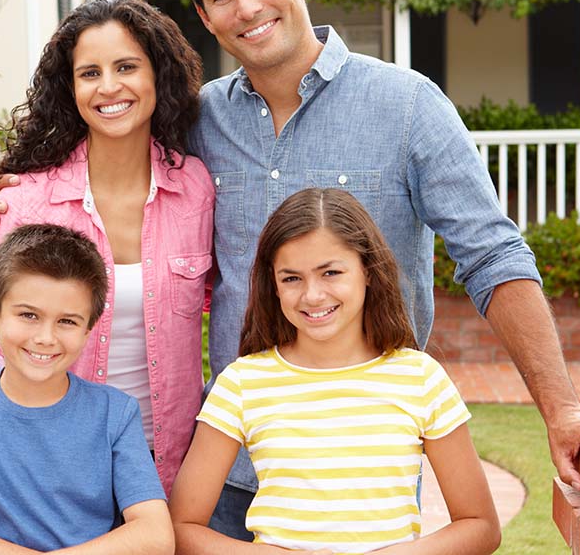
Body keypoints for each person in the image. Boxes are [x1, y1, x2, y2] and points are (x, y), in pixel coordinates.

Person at [0, 0, 580, 538]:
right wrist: (22, 193)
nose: (246, 6)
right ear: (205, 16)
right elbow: (110, 147)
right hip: (225, 467)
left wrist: (562, 409)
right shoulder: (197, 124)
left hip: (360, 469)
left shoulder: (408, 106)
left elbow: (494, 258)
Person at [0, 0, 214, 495]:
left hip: (167, 458)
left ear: (157, 75)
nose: (109, 87)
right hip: (53, 457)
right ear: (70, 86)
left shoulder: (194, 188)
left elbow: (218, 301)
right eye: (89, 73)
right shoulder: (24, 200)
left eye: (126, 66)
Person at [169, 188, 500, 555]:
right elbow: (183, 528)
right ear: (273, 285)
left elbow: (480, 526)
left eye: (331, 272)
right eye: (292, 278)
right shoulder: (242, 383)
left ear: (368, 272)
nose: (313, 295)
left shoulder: (420, 378)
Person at [0, 224, 173, 554]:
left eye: (67, 321)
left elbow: (156, 535)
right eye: (28, 315)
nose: (45, 337)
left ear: (88, 330)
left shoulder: (116, 413)